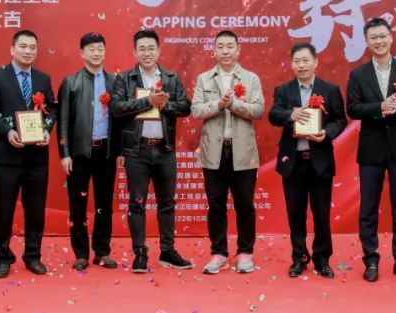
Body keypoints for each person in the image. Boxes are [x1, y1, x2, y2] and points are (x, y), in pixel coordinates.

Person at [345, 17, 396, 282]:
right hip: (372, 147)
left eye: (382, 36)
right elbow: (352, 108)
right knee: (368, 206)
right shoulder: (358, 74)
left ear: (391, 37)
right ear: (367, 42)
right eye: (373, 38)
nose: (379, 41)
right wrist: (379, 108)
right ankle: (371, 259)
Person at [110, 30, 193, 273]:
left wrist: (164, 104)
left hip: (165, 150)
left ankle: (167, 250)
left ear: (159, 50)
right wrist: (147, 102)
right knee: (137, 203)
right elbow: (116, 108)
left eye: (151, 48)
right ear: (134, 52)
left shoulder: (170, 78)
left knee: (167, 203)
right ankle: (140, 253)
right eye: (142, 49)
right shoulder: (124, 79)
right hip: (136, 151)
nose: (147, 53)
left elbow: (185, 106)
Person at [0, 29, 56, 278]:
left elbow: (52, 109)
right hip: (7, 157)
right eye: (23, 46)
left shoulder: (43, 79)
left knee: (36, 210)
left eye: (32, 47)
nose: (28, 51)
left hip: (37, 157)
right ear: (12, 49)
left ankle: (33, 256)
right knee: (4, 210)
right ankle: (3, 257)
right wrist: (7, 131)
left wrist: (47, 130)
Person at [268, 42, 347, 278]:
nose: (301, 65)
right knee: (296, 213)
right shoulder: (284, 90)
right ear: (292, 64)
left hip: (319, 160)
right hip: (293, 162)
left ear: (315, 62)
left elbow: (340, 119)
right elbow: (273, 115)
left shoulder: (329, 90)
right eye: (297, 61)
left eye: (305, 60)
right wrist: (289, 114)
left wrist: (327, 133)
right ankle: (299, 258)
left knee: (321, 214)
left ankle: (322, 259)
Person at [191, 31, 265, 274]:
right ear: (213, 50)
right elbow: (196, 110)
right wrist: (218, 105)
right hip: (214, 151)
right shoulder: (204, 79)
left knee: (245, 203)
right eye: (220, 46)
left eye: (229, 46)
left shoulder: (251, 78)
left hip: (242, 151)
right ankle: (218, 253)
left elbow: (258, 110)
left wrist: (234, 104)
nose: (225, 51)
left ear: (238, 49)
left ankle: (245, 252)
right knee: (216, 204)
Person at [57, 32, 122, 271]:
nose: (96, 53)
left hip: (106, 152)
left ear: (105, 51)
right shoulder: (70, 82)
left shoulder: (115, 82)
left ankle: (102, 251)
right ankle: (81, 254)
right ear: (82, 53)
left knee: (104, 204)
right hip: (79, 154)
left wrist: (119, 151)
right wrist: (65, 153)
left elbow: (121, 120)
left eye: (100, 48)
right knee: (78, 205)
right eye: (91, 49)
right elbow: (63, 120)